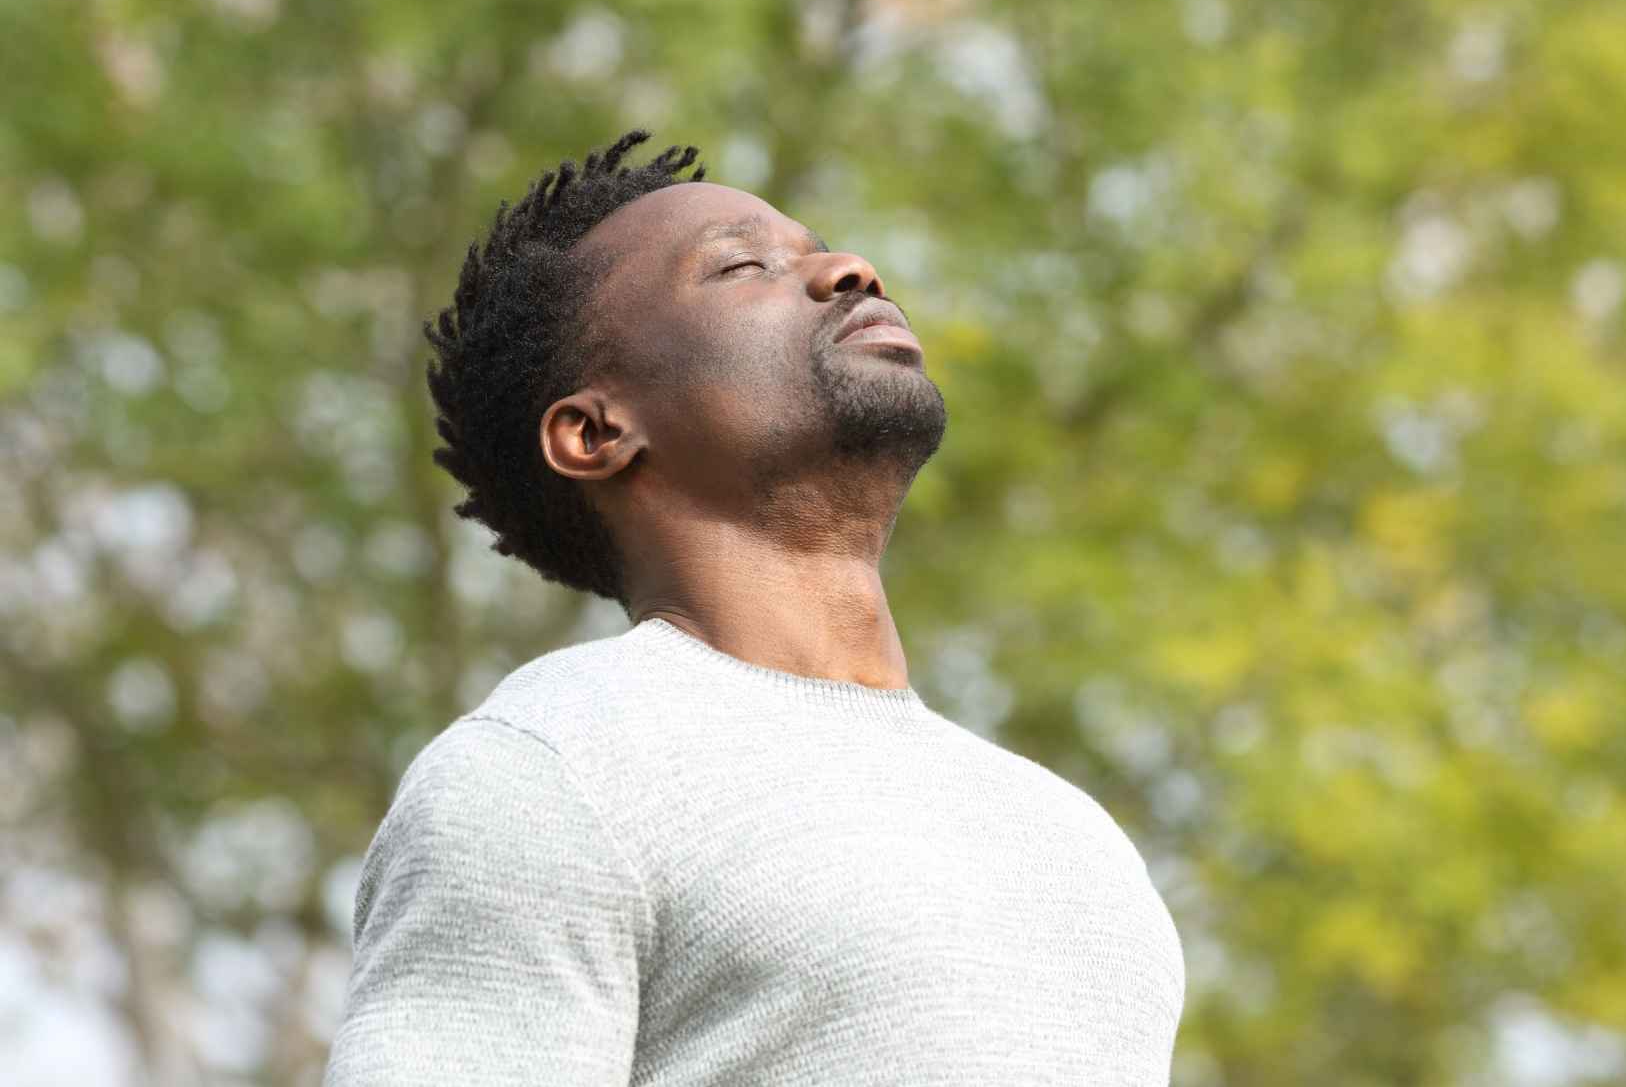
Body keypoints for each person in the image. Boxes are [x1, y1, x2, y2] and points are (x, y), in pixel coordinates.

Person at [324, 131, 1185, 1085]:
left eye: (824, 248)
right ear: (597, 431)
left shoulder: (1068, 835)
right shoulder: (551, 772)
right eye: (742, 266)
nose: (848, 271)